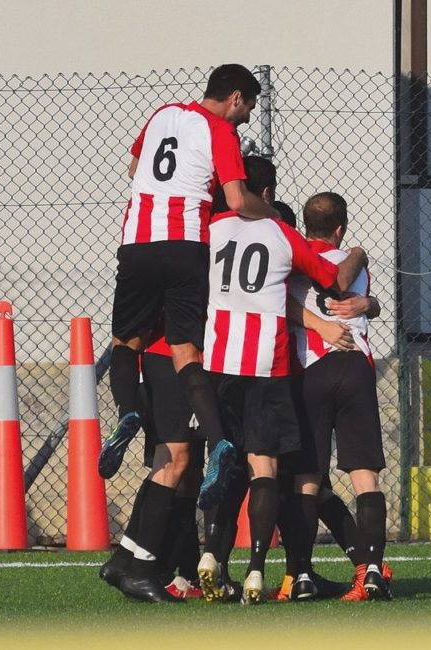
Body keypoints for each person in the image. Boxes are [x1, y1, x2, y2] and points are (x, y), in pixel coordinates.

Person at [103, 64, 279, 502]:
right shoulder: (221, 132)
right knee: (186, 350)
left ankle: (127, 413)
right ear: (236, 97)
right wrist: (273, 216)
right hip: (186, 243)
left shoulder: (162, 114)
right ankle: (218, 438)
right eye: (248, 108)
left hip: (139, 241)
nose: (246, 118)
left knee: (126, 342)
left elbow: (133, 169)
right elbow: (238, 199)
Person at [199, 182, 368, 604]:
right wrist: (358, 256)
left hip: (219, 361)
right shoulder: (283, 238)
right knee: (295, 478)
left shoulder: (214, 228)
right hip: (278, 370)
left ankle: (215, 561)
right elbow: (332, 281)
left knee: (242, 470)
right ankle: (288, 571)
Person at [277, 192, 393, 602]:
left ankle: (302, 575)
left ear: (304, 226)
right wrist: (370, 296)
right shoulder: (353, 262)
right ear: (341, 227)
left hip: (312, 366)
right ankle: (374, 572)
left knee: (307, 477)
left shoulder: (292, 257)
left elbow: (284, 304)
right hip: (357, 365)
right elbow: (359, 299)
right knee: (365, 474)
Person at [98, 322, 205, 603]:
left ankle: (129, 561)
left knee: (187, 469)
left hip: (167, 359)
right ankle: (144, 568)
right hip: (177, 358)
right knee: (174, 464)